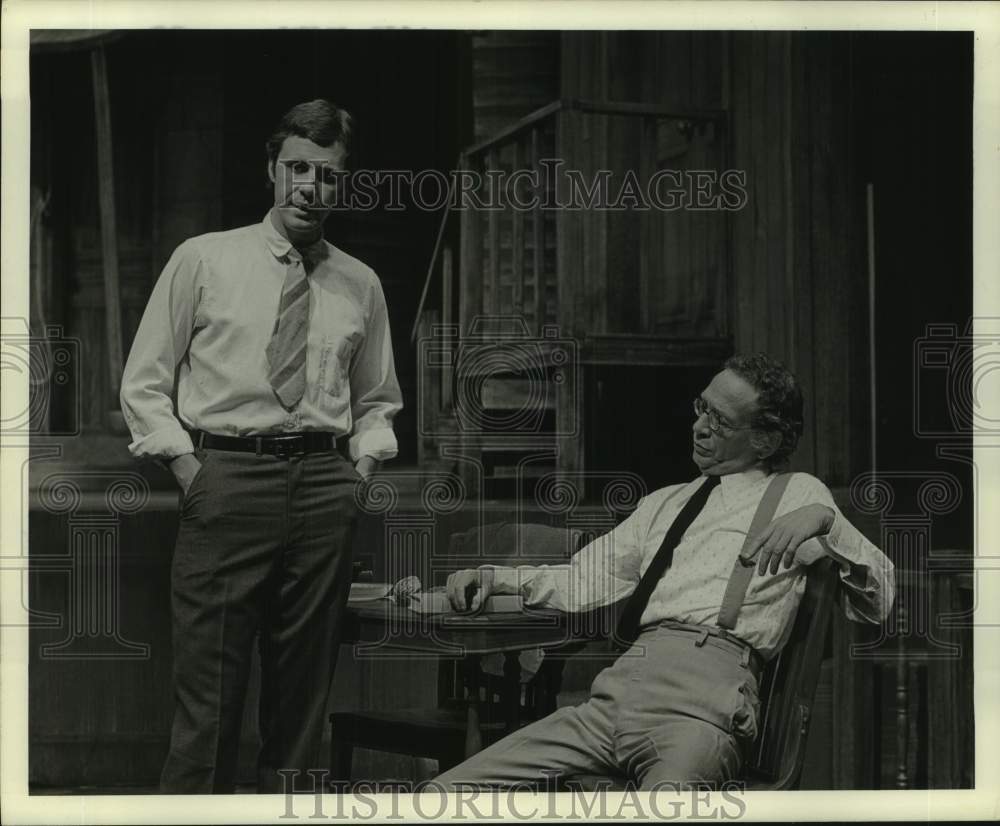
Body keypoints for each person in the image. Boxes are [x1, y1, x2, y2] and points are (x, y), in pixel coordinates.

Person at [440, 353, 893, 790]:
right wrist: (496, 576)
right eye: (702, 408)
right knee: (442, 797)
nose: (698, 427)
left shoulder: (797, 493)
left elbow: (882, 597)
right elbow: (583, 579)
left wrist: (826, 521)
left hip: (700, 708)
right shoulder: (665, 502)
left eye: (720, 421)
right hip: (613, 697)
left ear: (766, 441)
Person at [120, 99, 402, 794]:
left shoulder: (359, 283)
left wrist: (357, 473)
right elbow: (144, 383)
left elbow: (377, 399)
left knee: (302, 705)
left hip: (322, 489)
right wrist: (193, 473)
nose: (311, 187)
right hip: (228, 483)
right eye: (298, 169)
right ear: (271, 170)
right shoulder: (205, 260)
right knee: (208, 707)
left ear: (343, 185)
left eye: (329, 176)